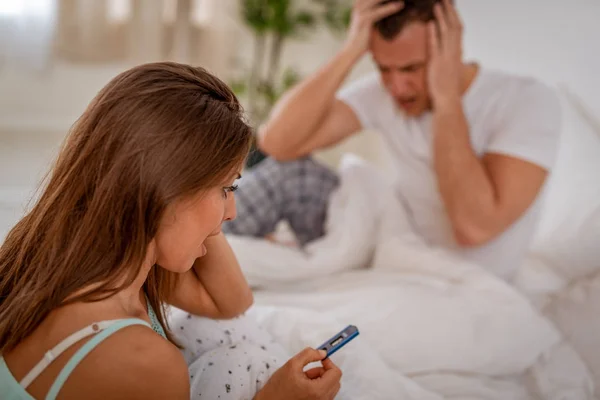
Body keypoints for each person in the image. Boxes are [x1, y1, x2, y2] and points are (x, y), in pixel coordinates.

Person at [0, 62, 341, 399]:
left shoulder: (85, 260)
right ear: (167, 190)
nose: (232, 212)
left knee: (232, 340)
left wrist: (203, 212)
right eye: (227, 189)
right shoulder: (144, 365)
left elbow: (232, 303)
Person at [223, 0, 561, 280]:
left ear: (451, 47)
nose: (397, 87)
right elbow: (277, 142)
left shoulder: (526, 101)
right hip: (385, 236)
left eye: (412, 69)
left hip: (452, 276)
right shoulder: (386, 93)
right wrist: (351, 50)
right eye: (384, 69)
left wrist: (446, 99)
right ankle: (193, 248)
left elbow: (472, 228)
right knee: (291, 173)